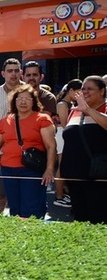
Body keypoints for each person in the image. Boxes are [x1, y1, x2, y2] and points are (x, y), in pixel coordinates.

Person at [0, 84, 56, 219]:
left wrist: (49, 169)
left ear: (34, 101)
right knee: (15, 209)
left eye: (27, 99)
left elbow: (51, 146)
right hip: (8, 169)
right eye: (19, 99)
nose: (23, 102)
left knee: (32, 209)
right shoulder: (5, 121)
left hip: (31, 169)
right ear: (14, 101)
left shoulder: (42, 119)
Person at [60, 75, 107, 224]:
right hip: (73, 175)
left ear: (102, 91)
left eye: (90, 89)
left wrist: (88, 110)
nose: (85, 91)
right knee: (80, 219)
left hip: (98, 175)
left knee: (99, 219)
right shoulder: (75, 110)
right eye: (83, 88)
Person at [0, 58, 23, 215]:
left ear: (21, 72)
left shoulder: (28, 92)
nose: (13, 74)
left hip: (24, 149)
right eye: (9, 71)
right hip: (2, 148)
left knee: (22, 192)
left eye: (16, 70)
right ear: (3, 73)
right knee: (0, 192)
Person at [52, 78, 82, 207]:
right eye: (78, 92)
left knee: (66, 165)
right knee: (62, 165)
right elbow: (65, 124)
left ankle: (64, 193)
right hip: (62, 135)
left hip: (67, 135)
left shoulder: (71, 104)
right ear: (71, 90)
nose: (80, 95)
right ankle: (59, 196)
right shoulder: (62, 104)